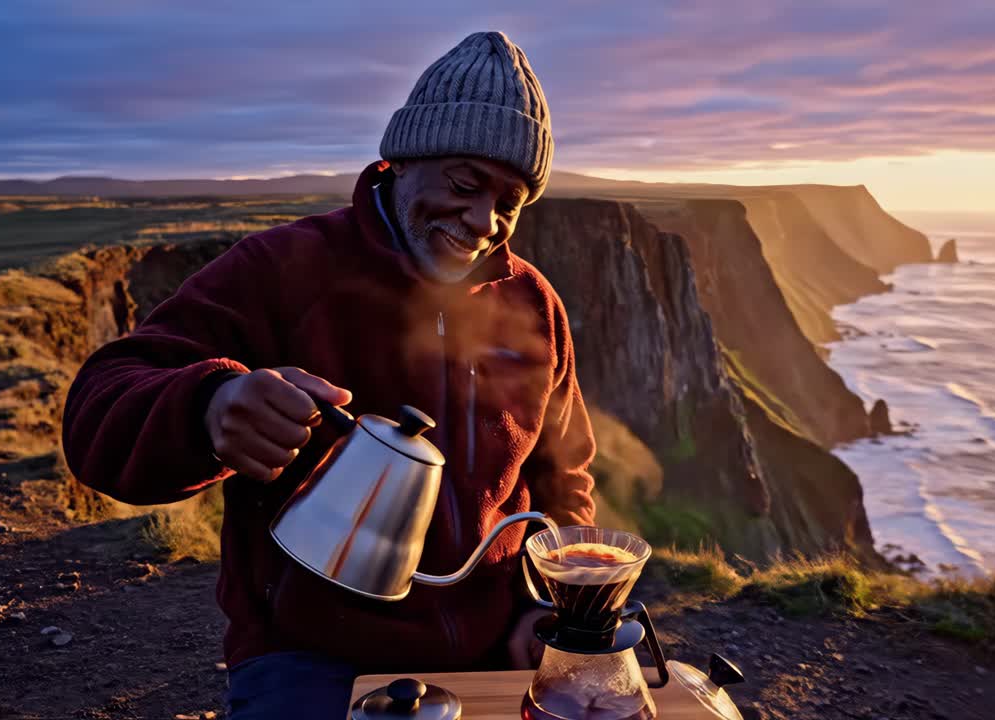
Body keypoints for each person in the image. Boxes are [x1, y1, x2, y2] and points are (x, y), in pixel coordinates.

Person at [62, 31, 595, 719]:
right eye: (465, 183)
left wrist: (542, 603)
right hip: (313, 656)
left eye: (511, 202)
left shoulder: (534, 304)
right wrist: (211, 408)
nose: (484, 219)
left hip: (498, 648)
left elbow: (563, 474)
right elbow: (101, 404)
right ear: (403, 159)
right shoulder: (285, 270)